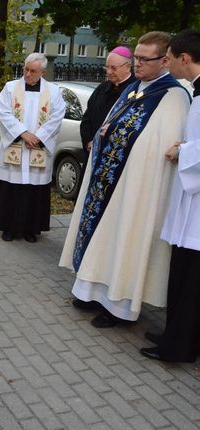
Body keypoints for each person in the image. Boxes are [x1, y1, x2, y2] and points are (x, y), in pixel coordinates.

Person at [60, 31, 191, 328]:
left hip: (136, 189)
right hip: (109, 180)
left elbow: (159, 146)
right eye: (136, 58)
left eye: (145, 59)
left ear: (164, 60)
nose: (138, 64)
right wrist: (105, 133)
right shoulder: (135, 88)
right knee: (102, 237)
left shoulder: (173, 97)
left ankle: (118, 307)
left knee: (124, 241)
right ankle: (89, 291)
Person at [141, 29, 200, 362]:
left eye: (171, 58)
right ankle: (173, 334)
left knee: (190, 281)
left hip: (197, 206)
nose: (168, 64)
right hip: (190, 200)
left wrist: (184, 152)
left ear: (184, 58)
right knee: (181, 275)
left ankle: (178, 348)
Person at [0, 53, 66, 243]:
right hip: (16, 146)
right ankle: (7, 228)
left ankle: (32, 229)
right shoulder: (10, 88)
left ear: (42, 72)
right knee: (11, 187)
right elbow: (4, 113)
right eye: (26, 69)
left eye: (33, 71)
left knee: (34, 188)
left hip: (36, 147)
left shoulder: (53, 92)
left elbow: (57, 116)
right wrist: (23, 133)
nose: (28, 74)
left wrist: (38, 137)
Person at [79, 46, 136, 161]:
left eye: (113, 68)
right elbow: (86, 119)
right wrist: (89, 142)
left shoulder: (136, 90)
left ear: (127, 67)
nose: (109, 72)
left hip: (117, 156)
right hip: (93, 152)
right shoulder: (102, 88)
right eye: (107, 67)